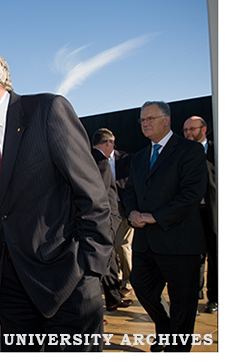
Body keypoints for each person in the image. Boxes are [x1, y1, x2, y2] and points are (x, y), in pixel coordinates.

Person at [0, 46, 112, 352]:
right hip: (14, 290)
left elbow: (91, 194)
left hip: (68, 283)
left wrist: (91, 270)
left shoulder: (48, 110)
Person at [124, 101, 208, 352]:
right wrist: (132, 212)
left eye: (150, 118)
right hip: (146, 242)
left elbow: (191, 194)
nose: (145, 123)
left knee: (184, 301)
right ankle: (165, 327)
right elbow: (129, 192)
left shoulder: (189, 151)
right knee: (141, 286)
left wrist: (155, 216)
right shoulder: (138, 158)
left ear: (167, 120)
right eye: (142, 120)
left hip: (180, 241)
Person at [91, 128, 132, 314]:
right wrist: (111, 219)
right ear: (108, 142)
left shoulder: (88, 158)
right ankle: (98, 309)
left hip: (103, 219)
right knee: (105, 262)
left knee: (110, 261)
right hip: (106, 219)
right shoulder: (101, 162)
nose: (113, 148)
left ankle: (114, 299)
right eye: (113, 143)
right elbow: (100, 194)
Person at [183, 116, 217, 314]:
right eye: (185, 130)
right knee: (194, 258)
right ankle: (194, 298)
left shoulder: (216, 150)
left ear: (204, 129)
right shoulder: (182, 154)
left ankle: (214, 298)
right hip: (191, 214)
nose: (188, 133)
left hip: (213, 212)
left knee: (215, 257)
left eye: (192, 129)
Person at [113, 147, 134, 298]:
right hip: (108, 209)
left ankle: (129, 280)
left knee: (122, 244)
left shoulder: (127, 159)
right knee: (112, 246)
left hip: (125, 207)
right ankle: (117, 278)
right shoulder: (95, 159)